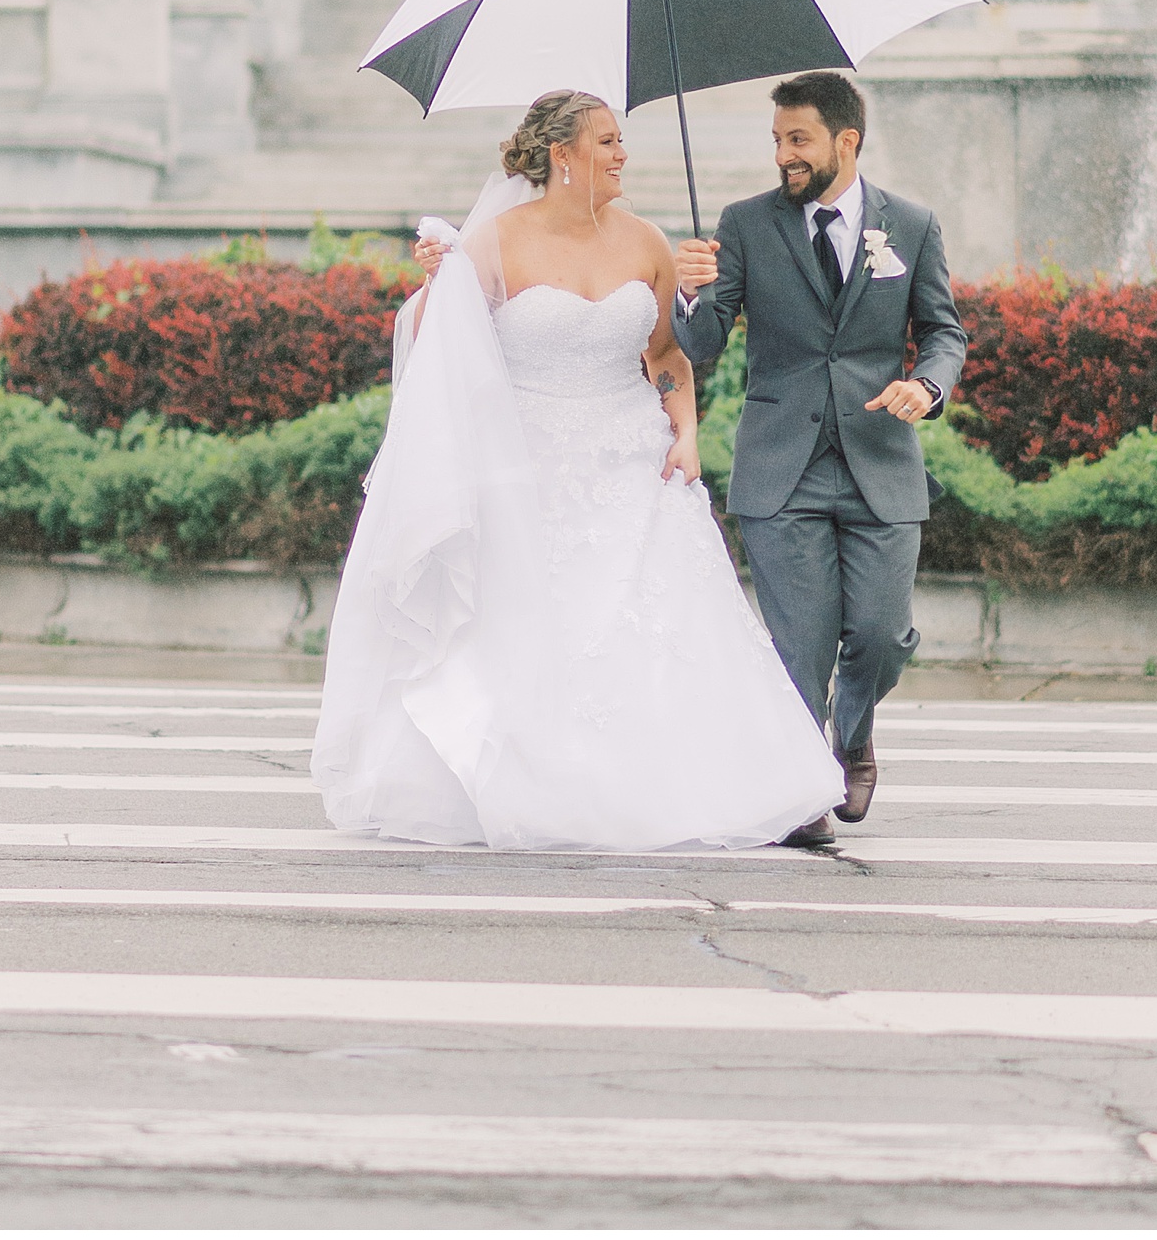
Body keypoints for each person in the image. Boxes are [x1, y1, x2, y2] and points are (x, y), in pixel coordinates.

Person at [311, 88, 844, 851]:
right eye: (606, 141)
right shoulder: (494, 242)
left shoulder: (648, 243)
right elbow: (436, 343)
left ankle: (743, 788)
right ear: (563, 155)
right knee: (538, 628)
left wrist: (686, 433)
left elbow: (666, 356)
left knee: (669, 625)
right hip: (527, 467)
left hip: (634, 457)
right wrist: (443, 279)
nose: (621, 153)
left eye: (620, 141)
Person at [671, 71, 967, 847]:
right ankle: (803, 790)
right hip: (782, 467)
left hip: (880, 464)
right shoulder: (743, 224)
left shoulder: (912, 223)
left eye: (798, 139)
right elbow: (701, 347)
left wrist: (927, 385)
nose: (784, 156)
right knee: (800, 643)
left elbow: (944, 331)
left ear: (847, 141)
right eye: (777, 141)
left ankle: (854, 730)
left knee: (881, 633)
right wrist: (688, 294)